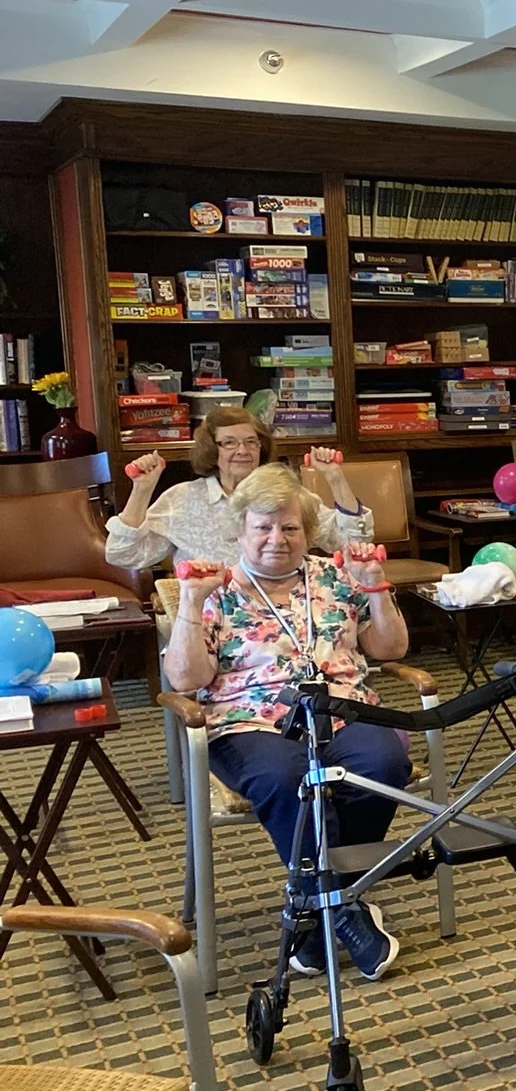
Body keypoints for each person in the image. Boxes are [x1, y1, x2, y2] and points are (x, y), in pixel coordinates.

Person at [162, 464, 410, 980]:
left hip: (342, 709)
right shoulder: (217, 589)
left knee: (384, 763)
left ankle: (318, 910)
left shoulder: (337, 577)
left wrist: (378, 590)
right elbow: (185, 679)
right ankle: (342, 909)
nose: (278, 539)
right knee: (286, 779)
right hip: (249, 721)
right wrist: (189, 601)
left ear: (307, 532)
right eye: (263, 527)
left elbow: (390, 649)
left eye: (290, 528)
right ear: (241, 530)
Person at [108, 407, 368, 570]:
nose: (243, 451)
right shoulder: (182, 498)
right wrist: (142, 489)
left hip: (283, 611)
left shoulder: (285, 493)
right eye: (229, 443)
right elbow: (123, 555)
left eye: (251, 442)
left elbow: (352, 542)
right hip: (209, 617)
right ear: (212, 449)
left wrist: (335, 479)